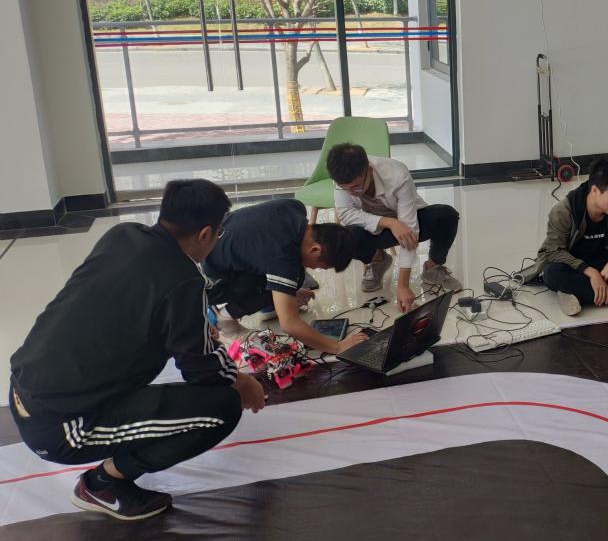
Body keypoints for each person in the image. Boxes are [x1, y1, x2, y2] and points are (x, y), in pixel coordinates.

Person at [8, 179, 266, 521]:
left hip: (26, 389)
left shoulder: (123, 235)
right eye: (218, 233)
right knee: (221, 408)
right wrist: (242, 381)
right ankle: (101, 484)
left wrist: (191, 326)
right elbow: (204, 373)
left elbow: (129, 306)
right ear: (205, 234)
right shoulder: (183, 280)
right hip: (62, 426)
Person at [203, 198, 369, 355]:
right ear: (315, 250)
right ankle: (225, 318)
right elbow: (289, 324)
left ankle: (270, 304)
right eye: (320, 266)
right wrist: (337, 346)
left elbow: (262, 245)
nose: (314, 268)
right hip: (206, 285)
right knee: (292, 278)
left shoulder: (294, 208)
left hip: (208, 243)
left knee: (289, 282)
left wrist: (290, 293)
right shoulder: (284, 257)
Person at [328, 143, 462, 312]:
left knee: (446, 216)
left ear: (369, 170)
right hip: (378, 228)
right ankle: (378, 260)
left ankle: (432, 268)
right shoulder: (341, 179)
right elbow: (346, 214)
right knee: (345, 237)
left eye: (356, 186)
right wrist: (390, 223)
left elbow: (409, 229)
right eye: (345, 189)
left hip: (409, 220)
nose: (352, 192)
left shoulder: (397, 174)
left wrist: (403, 285)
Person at [521, 156, 608, 316]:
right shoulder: (563, 211)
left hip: (605, 265)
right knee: (552, 274)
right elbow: (554, 252)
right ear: (595, 190)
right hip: (573, 266)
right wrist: (591, 272)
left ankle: (575, 292)